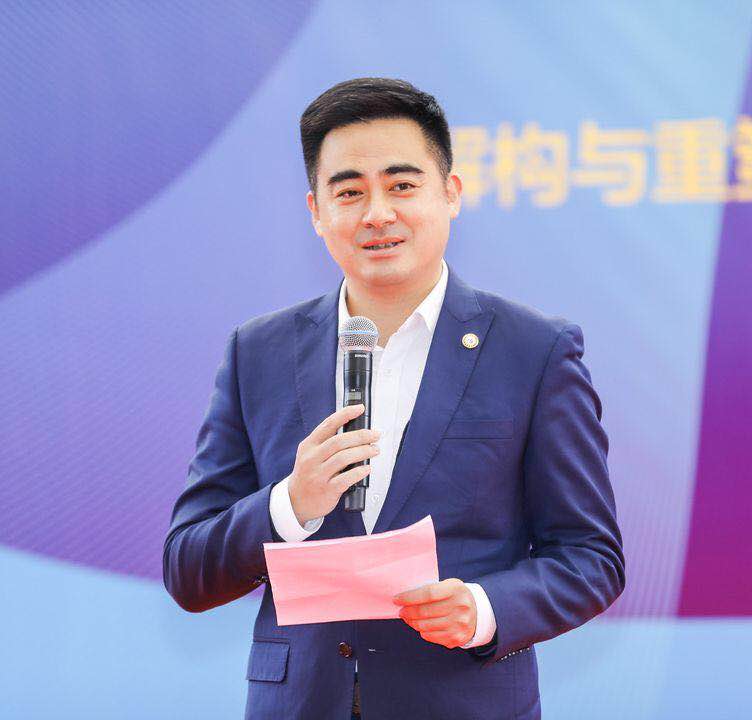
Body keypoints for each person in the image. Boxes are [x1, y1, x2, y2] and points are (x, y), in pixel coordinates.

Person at [163, 77, 624, 720]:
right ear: (317, 212)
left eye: (402, 186)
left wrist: (484, 609)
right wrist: (289, 505)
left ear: (450, 193)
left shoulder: (534, 351)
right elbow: (188, 569)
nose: (377, 213)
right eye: (349, 192)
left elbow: (590, 557)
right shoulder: (257, 353)